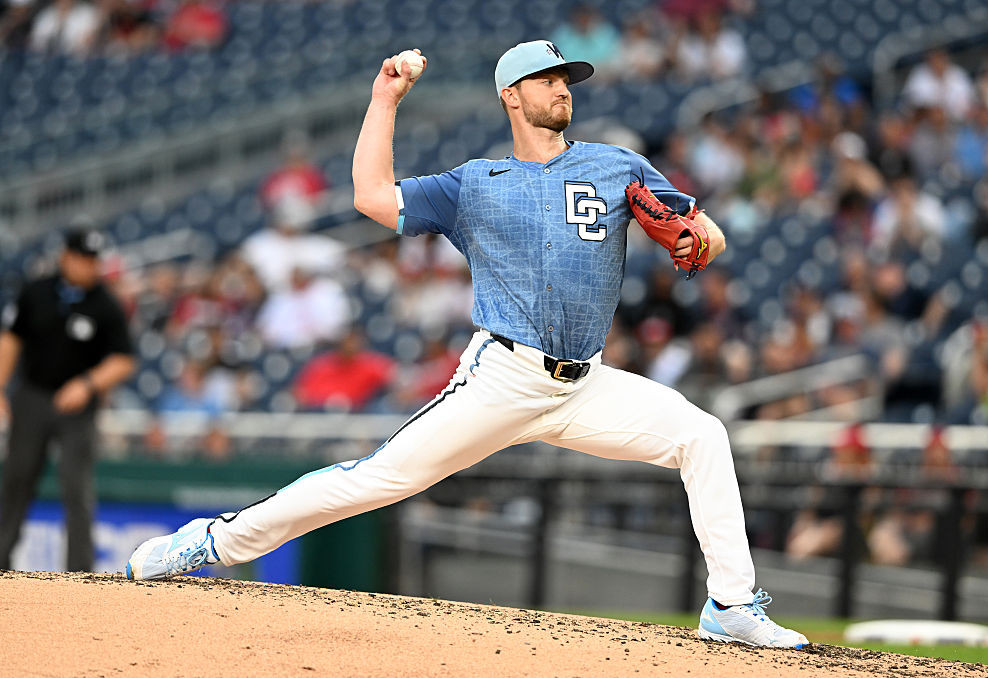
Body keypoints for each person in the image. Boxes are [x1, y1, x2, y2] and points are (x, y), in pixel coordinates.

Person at [126, 41, 808, 649]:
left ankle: (730, 605)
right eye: (546, 79)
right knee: (376, 479)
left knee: (703, 435)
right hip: (502, 378)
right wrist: (383, 101)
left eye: (567, 78)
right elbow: (371, 196)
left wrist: (701, 239)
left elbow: (703, 230)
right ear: (512, 96)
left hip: (587, 382)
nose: (562, 88)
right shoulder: (473, 183)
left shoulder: (614, 165)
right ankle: (210, 541)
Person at [0, 227, 135, 572]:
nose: (91, 267)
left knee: (76, 487)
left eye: (95, 260)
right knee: (17, 479)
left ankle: (80, 573)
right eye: (84, 259)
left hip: (78, 407)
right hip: (32, 397)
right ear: (66, 257)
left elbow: (124, 359)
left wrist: (87, 384)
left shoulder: (105, 303)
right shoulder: (36, 292)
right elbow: (11, 340)